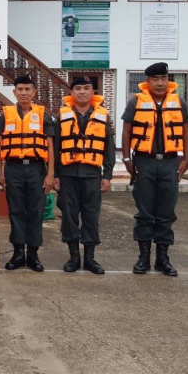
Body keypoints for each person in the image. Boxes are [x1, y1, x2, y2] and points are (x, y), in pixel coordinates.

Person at [121, 62, 188, 276]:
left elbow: (186, 131)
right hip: (144, 161)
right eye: (155, 79)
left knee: (166, 212)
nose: (160, 83)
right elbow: (126, 131)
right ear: (148, 81)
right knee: (144, 212)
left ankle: (163, 259)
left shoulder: (179, 102)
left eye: (163, 78)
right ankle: (143, 258)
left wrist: (186, 158)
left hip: (170, 162)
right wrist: (127, 159)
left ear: (168, 80)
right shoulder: (135, 102)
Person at [0, 75, 56, 272]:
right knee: (16, 211)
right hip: (13, 168)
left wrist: (50, 173)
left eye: (27, 89)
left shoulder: (43, 115)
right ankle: (18, 253)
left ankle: (33, 254)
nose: (23, 93)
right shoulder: (5, 114)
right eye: (20, 89)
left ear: (34, 92)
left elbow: (50, 145)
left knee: (36, 211)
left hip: (36, 169)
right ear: (14, 92)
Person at [55, 76, 114, 274]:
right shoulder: (62, 115)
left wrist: (107, 175)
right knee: (69, 216)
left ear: (92, 91)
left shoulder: (103, 115)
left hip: (92, 174)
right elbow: (55, 147)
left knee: (91, 216)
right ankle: (74, 257)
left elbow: (109, 147)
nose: (82, 91)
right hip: (67, 174)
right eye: (78, 88)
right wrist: (55, 174)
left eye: (86, 88)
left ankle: (90, 258)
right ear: (72, 92)